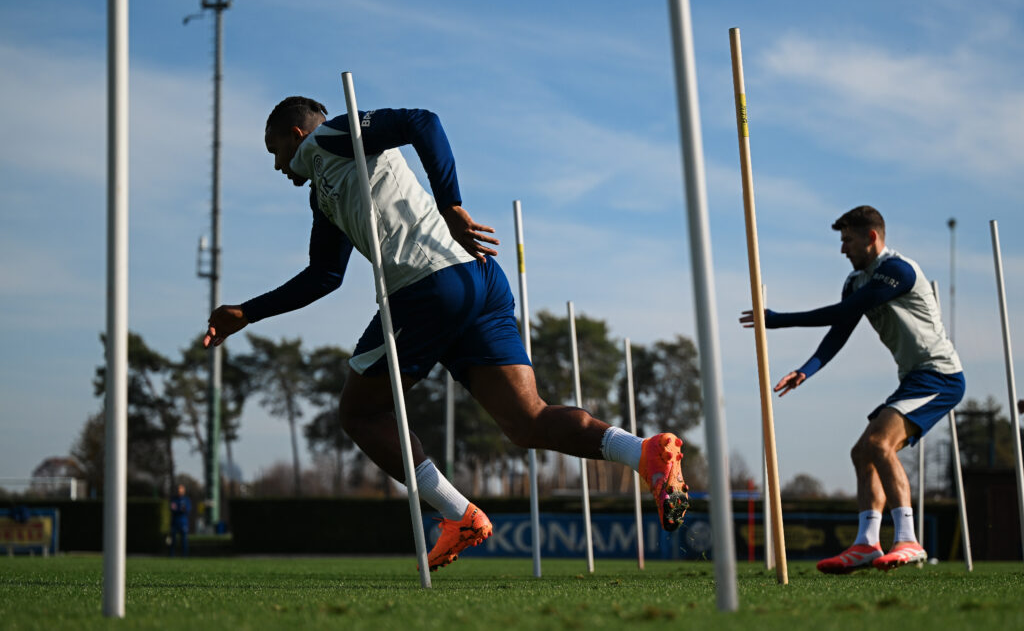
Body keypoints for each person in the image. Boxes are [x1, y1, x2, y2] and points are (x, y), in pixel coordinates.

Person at [203, 97, 690, 570]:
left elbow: (422, 121)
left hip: (427, 285)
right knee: (526, 422)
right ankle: (645, 453)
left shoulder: (331, 136)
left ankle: (458, 515)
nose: (277, 167)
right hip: (477, 279)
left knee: (359, 412)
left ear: (296, 135)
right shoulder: (321, 192)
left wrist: (451, 204)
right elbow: (324, 276)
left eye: (276, 152)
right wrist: (247, 313)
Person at [741, 205, 965, 573]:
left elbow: (841, 313)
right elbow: (840, 329)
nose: (842, 249)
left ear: (871, 238)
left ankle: (908, 540)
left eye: (847, 240)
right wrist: (806, 370)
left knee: (878, 444)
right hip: (913, 378)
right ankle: (866, 545)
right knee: (863, 453)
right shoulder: (855, 281)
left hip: (940, 377)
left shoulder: (897, 271)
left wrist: (776, 320)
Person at [169, 484, 191, 557]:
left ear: (183, 491)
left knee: (184, 540)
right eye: (178, 490)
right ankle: (171, 555)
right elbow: (173, 509)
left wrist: (179, 509)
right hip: (175, 522)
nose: (179, 491)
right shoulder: (174, 499)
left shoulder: (186, 500)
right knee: (173, 540)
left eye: (181, 490)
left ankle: (184, 556)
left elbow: (187, 509)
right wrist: (180, 509)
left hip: (183, 522)